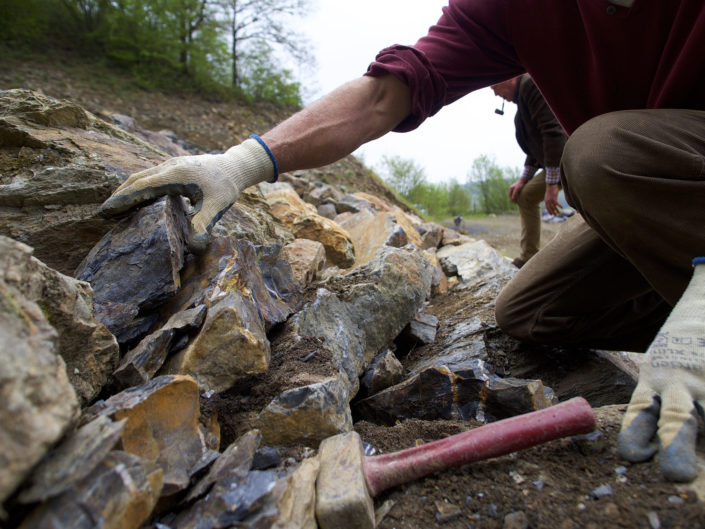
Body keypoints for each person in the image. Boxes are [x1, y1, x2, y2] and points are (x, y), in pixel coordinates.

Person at [101, 1, 705, 483]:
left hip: (659, 171)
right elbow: (388, 91)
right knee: (531, 311)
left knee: (599, 155)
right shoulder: (509, 8)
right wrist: (243, 162)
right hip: (670, 195)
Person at [491, 75, 568, 269]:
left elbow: (552, 133)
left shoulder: (530, 85)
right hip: (556, 163)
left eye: (495, 87)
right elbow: (535, 151)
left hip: (570, 158)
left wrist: (552, 185)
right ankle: (529, 257)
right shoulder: (522, 109)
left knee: (581, 200)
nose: (496, 93)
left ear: (509, 78)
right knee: (524, 196)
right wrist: (522, 180)